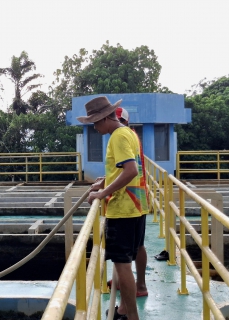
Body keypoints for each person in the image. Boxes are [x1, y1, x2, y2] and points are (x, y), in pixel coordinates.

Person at [77, 96, 149, 320]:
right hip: (136, 207)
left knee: (122, 263)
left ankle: (132, 317)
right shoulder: (128, 133)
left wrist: (102, 193)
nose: (95, 127)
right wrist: (105, 181)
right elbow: (123, 170)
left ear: (106, 118)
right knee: (129, 256)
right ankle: (126, 310)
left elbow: (130, 171)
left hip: (122, 209)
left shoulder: (117, 137)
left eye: (96, 122)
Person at [115, 107, 149, 297]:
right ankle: (135, 284)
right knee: (137, 245)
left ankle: (137, 286)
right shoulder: (132, 136)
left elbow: (129, 170)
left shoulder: (123, 137)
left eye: (120, 120)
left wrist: (104, 191)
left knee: (127, 252)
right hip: (138, 195)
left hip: (129, 199)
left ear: (126, 122)